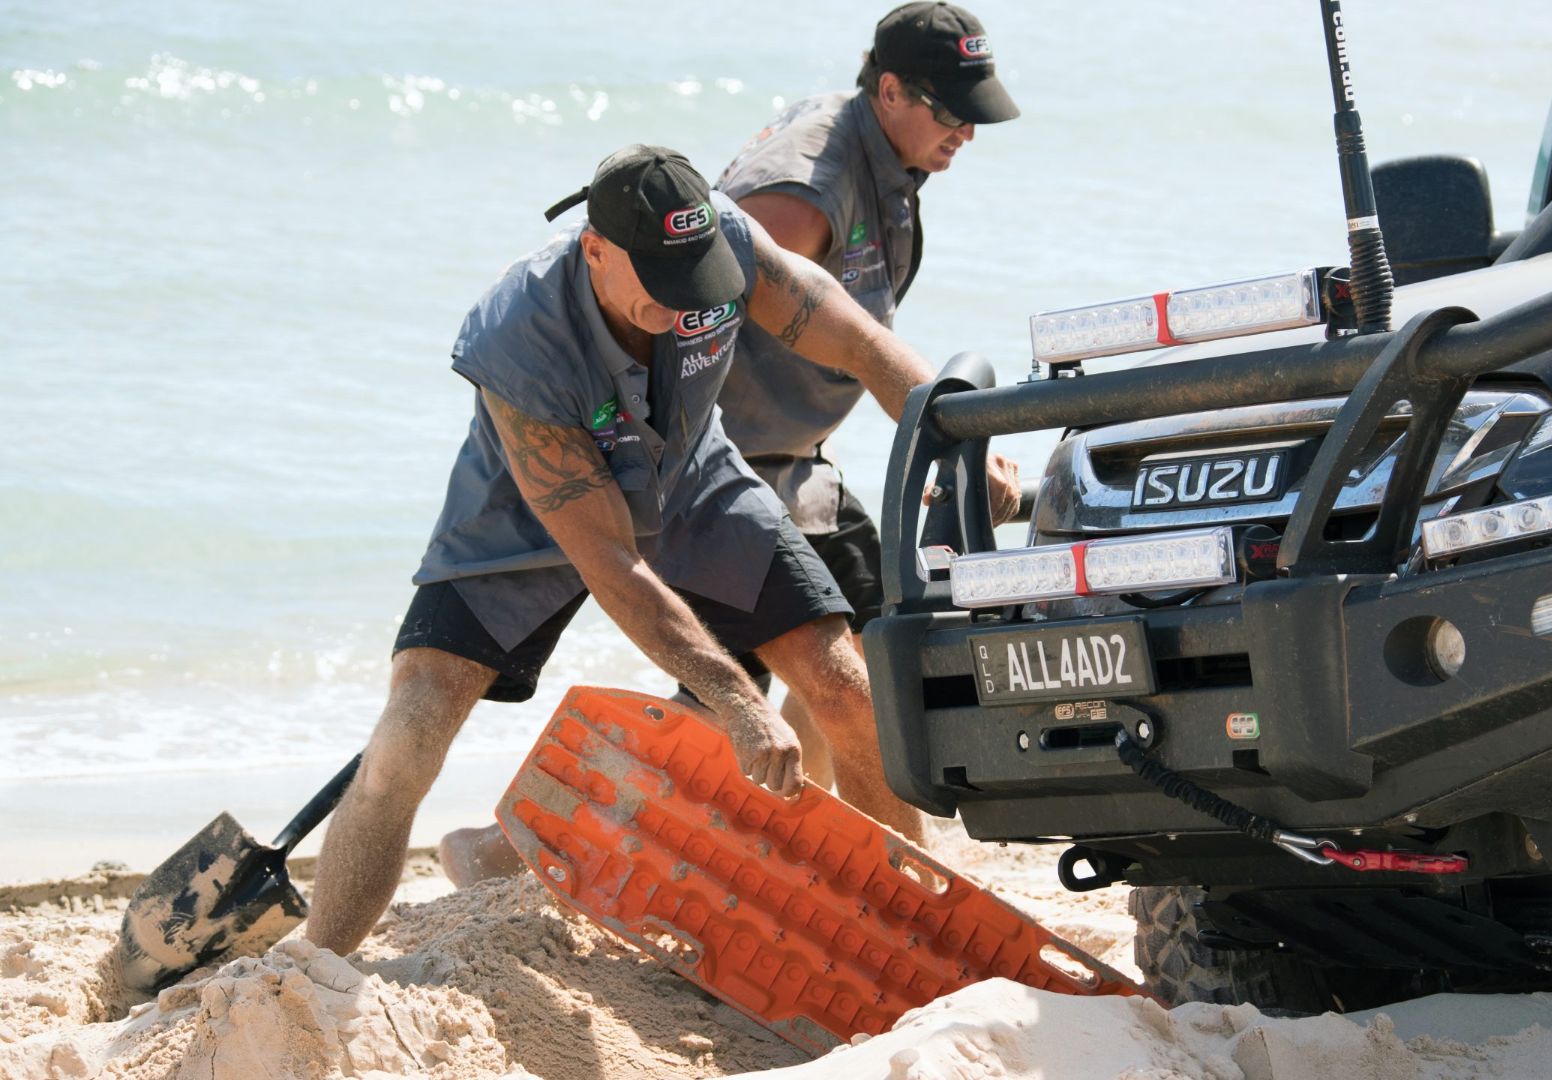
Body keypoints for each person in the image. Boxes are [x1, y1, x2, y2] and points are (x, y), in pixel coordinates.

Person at [307, 144, 1010, 954]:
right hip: (531, 511)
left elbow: (857, 342)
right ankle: (316, 970)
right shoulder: (518, 336)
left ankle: (912, 932)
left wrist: (955, 438)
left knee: (843, 684)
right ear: (594, 248)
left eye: (698, 285)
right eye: (665, 288)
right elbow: (610, 562)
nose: (686, 308)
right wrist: (738, 704)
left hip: (688, 473)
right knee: (411, 730)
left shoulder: (727, 244)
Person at [713, 0, 1021, 786]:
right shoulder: (799, 194)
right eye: (950, 111)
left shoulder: (884, 152)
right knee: (726, 706)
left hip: (795, 466)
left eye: (975, 112)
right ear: (890, 91)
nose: (967, 133)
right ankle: (498, 846)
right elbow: (701, 341)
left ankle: (819, 833)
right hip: (721, 477)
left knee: (873, 657)